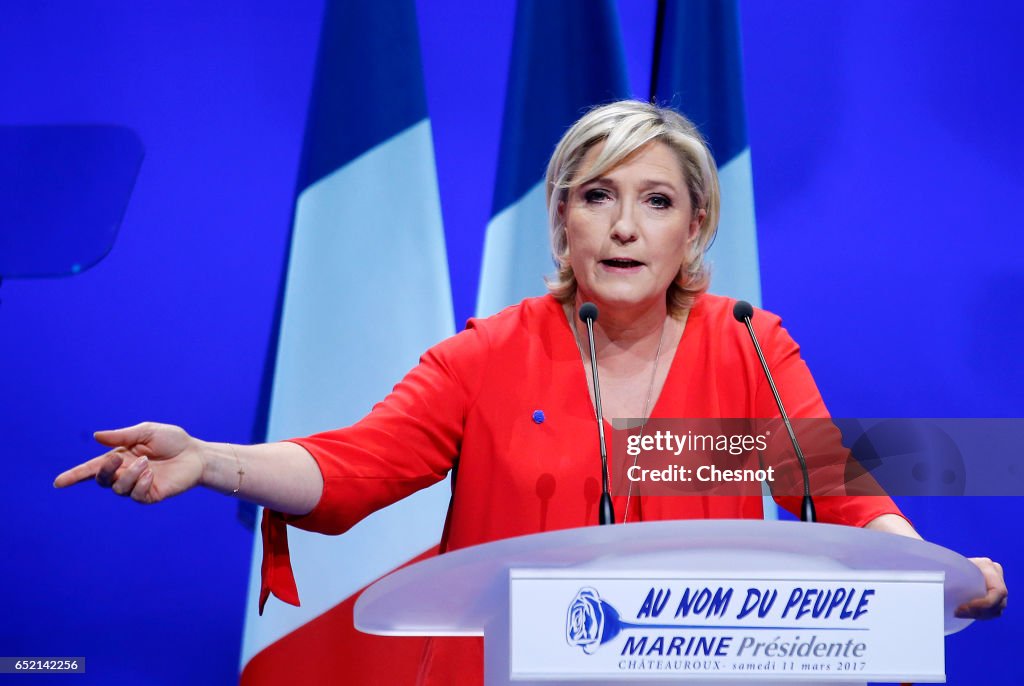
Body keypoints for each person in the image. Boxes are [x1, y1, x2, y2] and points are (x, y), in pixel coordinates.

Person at [54, 100, 1006, 684]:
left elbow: (836, 489)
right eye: (598, 197)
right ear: (561, 223)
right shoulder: (489, 357)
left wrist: (928, 571)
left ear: (695, 227)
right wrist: (212, 460)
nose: (625, 227)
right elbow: (351, 467)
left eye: (657, 201)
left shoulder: (746, 344)